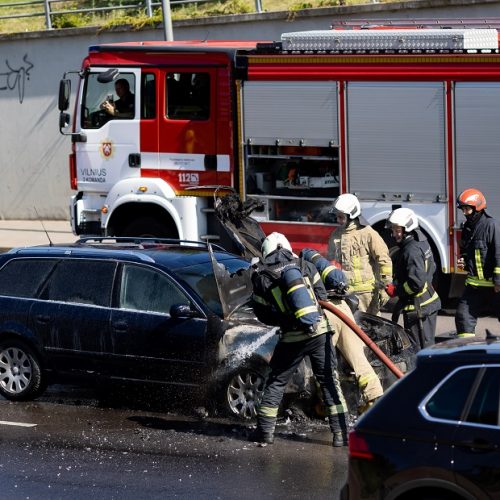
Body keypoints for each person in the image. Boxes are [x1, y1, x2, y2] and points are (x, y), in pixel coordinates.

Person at [251, 232, 349, 447]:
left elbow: (263, 314)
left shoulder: (262, 276)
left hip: (291, 338)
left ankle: (265, 433)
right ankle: (341, 434)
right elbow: (322, 297)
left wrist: (284, 318)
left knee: (276, 382)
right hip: (318, 333)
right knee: (329, 381)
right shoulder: (304, 265)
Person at [301, 248, 383, 415]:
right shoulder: (320, 264)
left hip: (323, 313)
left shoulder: (296, 268)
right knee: (358, 359)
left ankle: (327, 406)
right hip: (342, 308)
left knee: (322, 363)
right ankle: (375, 398)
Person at [327, 193, 392, 316]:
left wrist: (384, 288)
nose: (338, 221)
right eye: (337, 217)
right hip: (344, 294)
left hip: (366, 296)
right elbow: (331, 262)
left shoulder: (367, 233)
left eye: (341, 217)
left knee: (369, 331)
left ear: (351, 216)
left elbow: (384, 261)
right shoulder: (335, 235)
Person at [386, 208, 441, 350]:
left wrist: (396, 290)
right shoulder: (421, 240)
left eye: (397, 230)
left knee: (421, 352)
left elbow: (415, 284)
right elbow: (432, 267)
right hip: (427, 303)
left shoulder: (411, 250)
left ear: (407, 228)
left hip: (419, 309)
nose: (393, 234)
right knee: (426, 347)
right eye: (393, 229)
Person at [455, 188, 500, 337]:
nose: (464, 213)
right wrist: (464, 262)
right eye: (463, 209)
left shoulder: (491, 225)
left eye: (467, 209)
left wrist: (498, 281)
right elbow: (466, 252)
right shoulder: (467, 228)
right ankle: (466, 352)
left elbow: (498, 253)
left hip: (495, 288)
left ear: (477, 208)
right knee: (463, 318)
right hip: (474, 288)